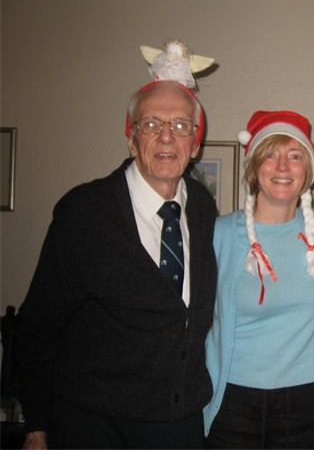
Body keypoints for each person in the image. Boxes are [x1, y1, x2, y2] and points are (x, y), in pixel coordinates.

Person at [18, 75, 218, 448]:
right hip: (94, 424)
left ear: (195, 143)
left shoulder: (204, 210)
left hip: (179, 422)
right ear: (131, 137)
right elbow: (39, 327)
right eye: (151, 124)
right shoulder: (85, 213)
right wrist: (36, 425)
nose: (165, 137)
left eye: (179, 125)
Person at [203, 110, 314, 448]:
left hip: (304, 403)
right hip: (231, 400)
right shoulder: (219, 234)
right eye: (270, 154)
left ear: (308, 170)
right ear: (254, 168)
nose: (283, 166)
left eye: (295, 156)